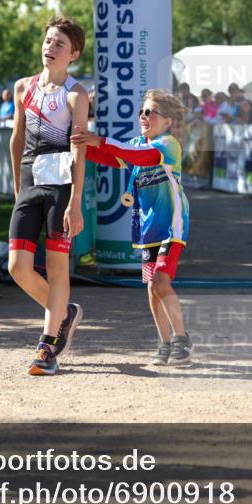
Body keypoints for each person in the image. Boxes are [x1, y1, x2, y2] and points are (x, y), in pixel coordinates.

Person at [70, 89, 192, 365]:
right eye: (141, 112)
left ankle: (182, 339)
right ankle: (164, 343)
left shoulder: (168, 143)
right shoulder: (138, 142)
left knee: (161, 280)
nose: (143, 116)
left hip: (172, 224)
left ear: (168, 121)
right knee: (152, 288)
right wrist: (81, 146)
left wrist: (99, 140)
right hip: (147, 228)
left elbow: (139, 156)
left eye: (150, 112)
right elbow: (112, 158)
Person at [7, 15, 88, 376]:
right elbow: (17, 140)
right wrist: (15, 189)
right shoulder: (23, 87)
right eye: (48, 41)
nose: (50, 48)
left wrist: (76, 201)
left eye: (59, 44)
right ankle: (65, 315)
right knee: (17, 267)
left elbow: (79, 151)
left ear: (73, 54)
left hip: (61, 187)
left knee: (56, 267)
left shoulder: (76, 94)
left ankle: (46, 347)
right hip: (28, 183)